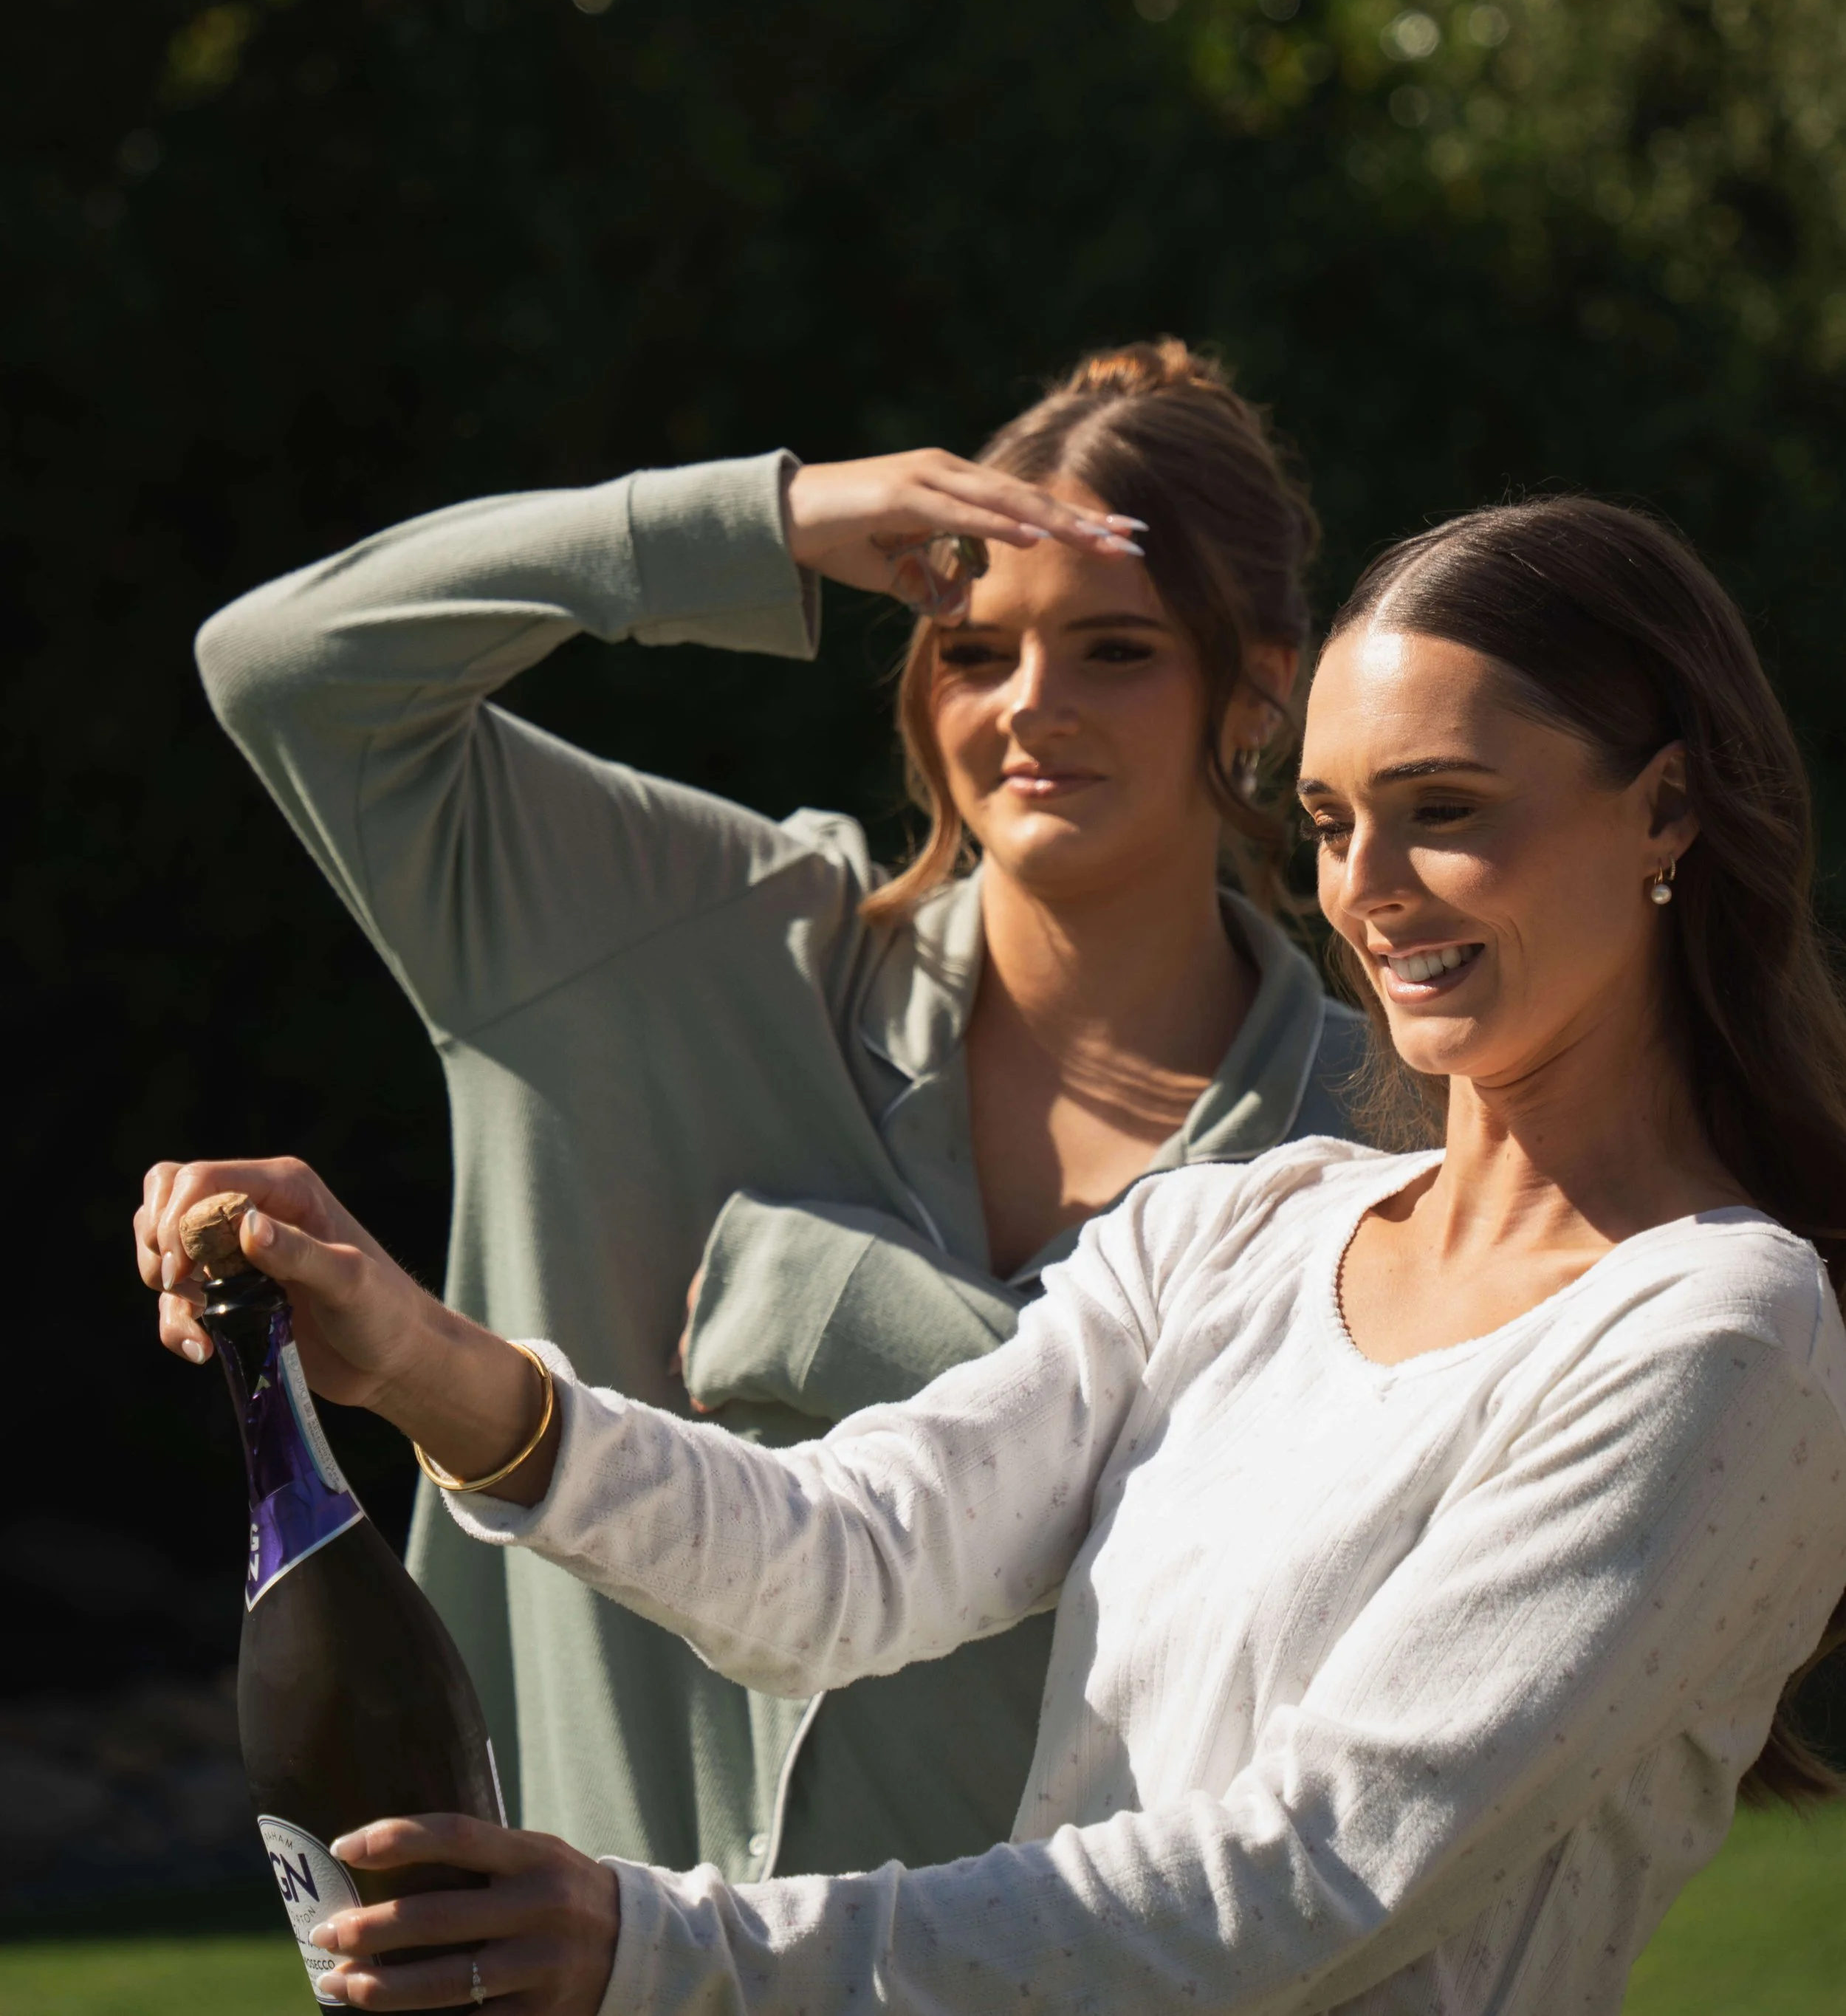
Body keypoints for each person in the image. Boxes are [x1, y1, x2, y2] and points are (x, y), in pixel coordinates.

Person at [145, 491, 1846, 2016]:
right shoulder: (1244, 1226)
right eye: (1328, 820)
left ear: (1665, 816)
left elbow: (1308, 1878)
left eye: (1443, 809)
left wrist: (662, 1947)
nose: (1369, 889)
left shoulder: (1715, 1331)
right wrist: (419, 1360)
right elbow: (844, 1553)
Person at [186, 340, 1365, 1877]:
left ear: (1259, 689)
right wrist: (765, 521)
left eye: (1114, 651)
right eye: (972, 648)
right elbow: (286, 668)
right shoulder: (676, 936)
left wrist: (849, 1314)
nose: (1031, 707)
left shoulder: (1388, 1126)